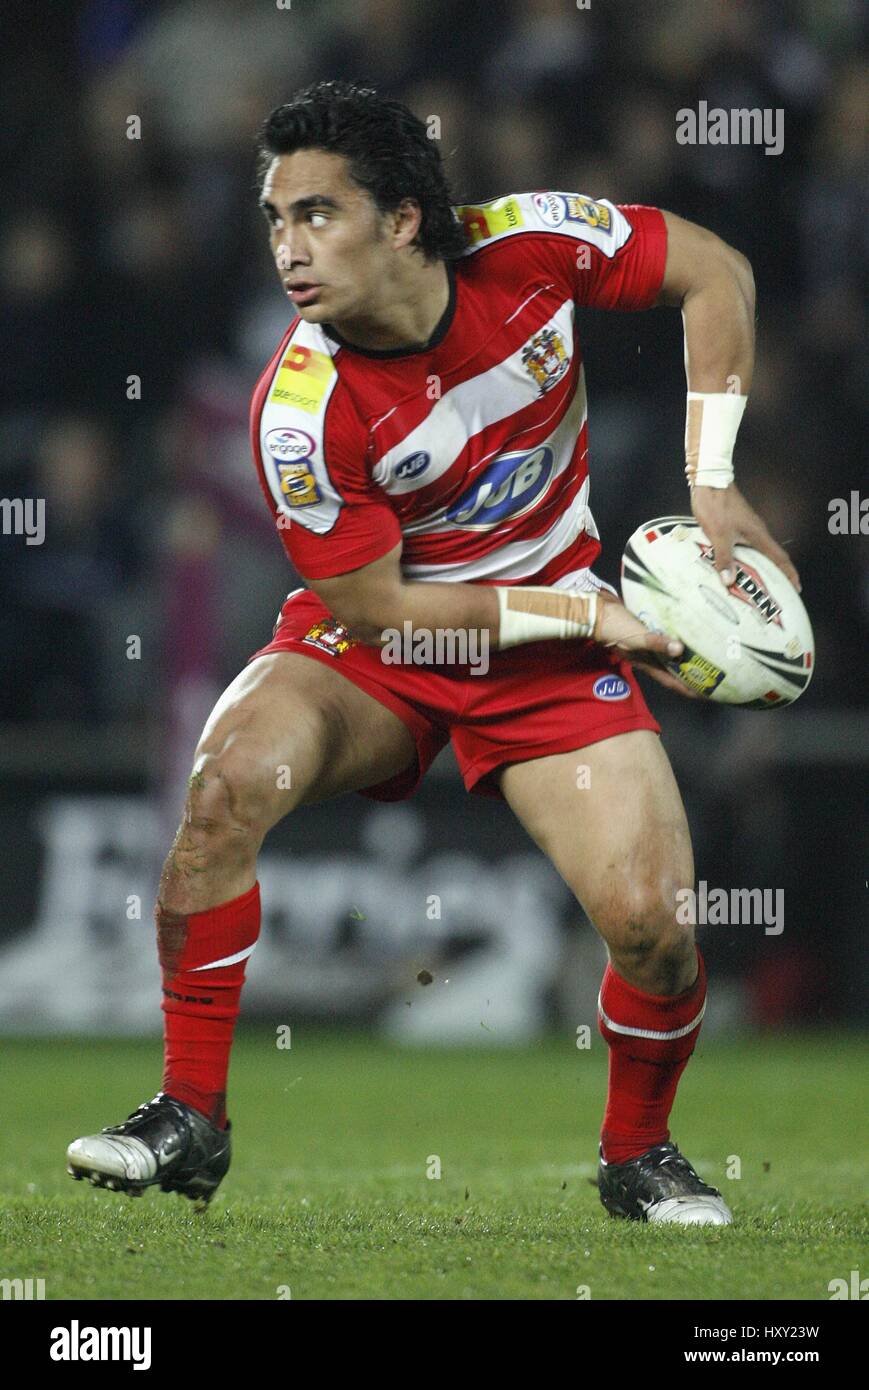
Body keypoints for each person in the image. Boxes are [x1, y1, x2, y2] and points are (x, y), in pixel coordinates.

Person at [67, 80, 799, 1225]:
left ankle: (635, 1155)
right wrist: (585, 615)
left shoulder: (536, 246)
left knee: (656, 925)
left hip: (543, 656)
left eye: (316, 214)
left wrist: (710, 482)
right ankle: (188, 1115)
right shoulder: (298, 408)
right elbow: (371, 602)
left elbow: (714, 270)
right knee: (223, 788)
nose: (287, 250)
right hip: (378, 646)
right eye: (273, 220)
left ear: (403, 219)